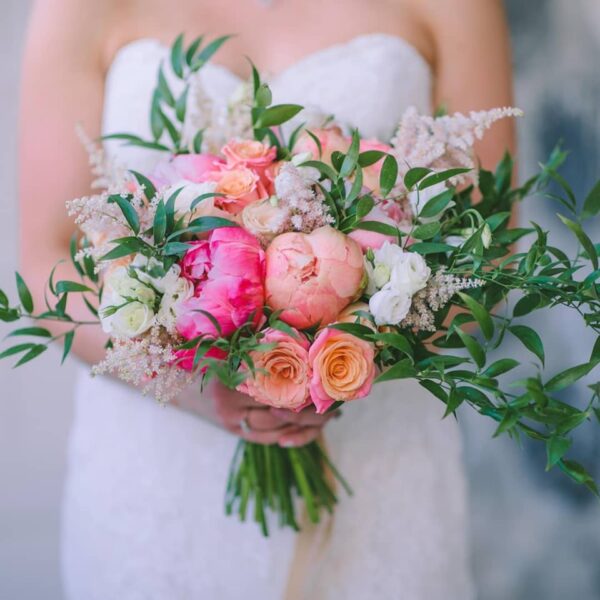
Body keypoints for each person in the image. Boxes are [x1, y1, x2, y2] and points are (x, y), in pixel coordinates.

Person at [19, 0, 515, 598]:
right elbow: (46, 259)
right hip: (156, 476)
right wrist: (198, 386)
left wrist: (355, 355)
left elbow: (490, 248)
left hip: (381, 461)